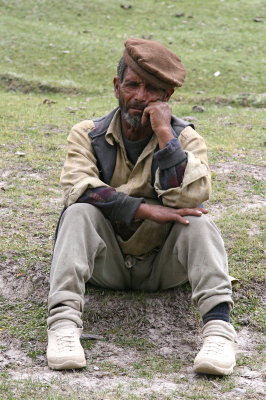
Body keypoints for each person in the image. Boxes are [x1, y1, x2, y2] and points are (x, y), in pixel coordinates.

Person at [46, 38, 237, 375]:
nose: (140, 97)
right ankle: (63, 327)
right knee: (79, 212)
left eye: (153, 90)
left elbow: (191, 198)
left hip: (164, 266)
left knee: (200, 223)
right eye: (132, 85)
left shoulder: (186, 138)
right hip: (107, 265)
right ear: (117, 86)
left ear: (167, 97)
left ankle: (219, 332)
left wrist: (165, 134)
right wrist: (147, 209)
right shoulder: (87, 134)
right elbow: (78, 189)